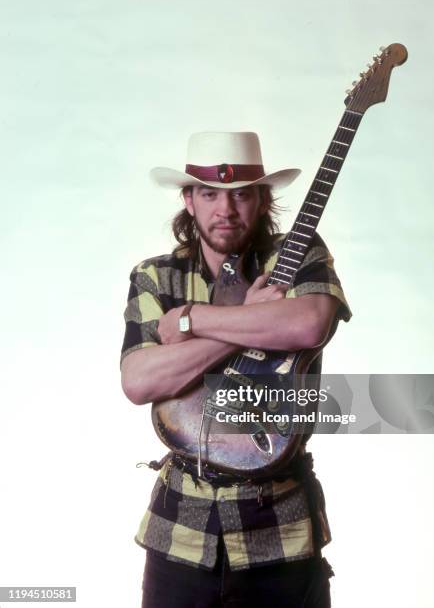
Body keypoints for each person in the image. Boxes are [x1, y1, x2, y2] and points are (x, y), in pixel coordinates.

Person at [120, 131, 352, 607]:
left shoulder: (299, 254)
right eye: (209, 194)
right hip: (178, 532)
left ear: (263, 200)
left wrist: (193, 320)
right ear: (189, 199)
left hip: (282, 531)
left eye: (241, 195)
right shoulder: (156, 276)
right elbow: (140, 380)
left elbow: (309, 323)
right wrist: (251, 319)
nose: (225, 210)